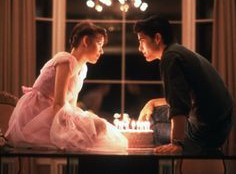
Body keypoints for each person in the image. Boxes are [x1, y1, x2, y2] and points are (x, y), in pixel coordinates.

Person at [5, 22, 127, 151]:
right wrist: (70, 128)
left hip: (58, 110)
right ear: (85, 41)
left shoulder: (82, 69)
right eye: (99, 44)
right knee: (93, 130)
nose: (101, 51)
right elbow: (59, 103)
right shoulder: (66, 60)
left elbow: (71, 105)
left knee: (99, 128)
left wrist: (78, 122)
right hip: (39, 112)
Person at [134, 15, 233, 155]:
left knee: (150, 128)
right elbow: (185, 96)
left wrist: (177, 143)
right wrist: (152, 102)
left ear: (157, 38)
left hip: (206, 130)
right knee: (154, 112)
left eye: (141, 41)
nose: (139, 48)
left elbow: (179, 105)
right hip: (221, 122)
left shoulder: (170, 58)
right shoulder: (178, 51)